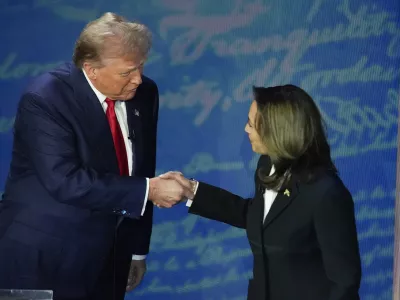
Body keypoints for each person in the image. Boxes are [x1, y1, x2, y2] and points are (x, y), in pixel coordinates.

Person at [0, 12, 193, 300]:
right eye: (127, 72)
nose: (138, 79)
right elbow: (65, 181)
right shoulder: (46, 98)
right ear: (91, 70)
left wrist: (137, 249)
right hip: (45, 257)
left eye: (140, 66)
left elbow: (141, 167)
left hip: (112, 255)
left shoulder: (145, 92)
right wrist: (151, 190)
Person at [162, 84, 362, 300]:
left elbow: (344, 282)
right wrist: (192, 191)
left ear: (277, 131)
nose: (246, 130)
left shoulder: (326, 193)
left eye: (251, 123)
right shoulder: (266, 165)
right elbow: (259, 216)